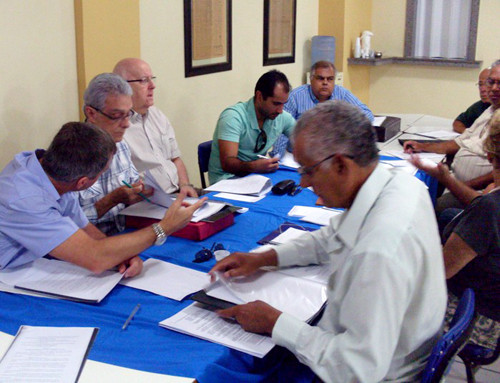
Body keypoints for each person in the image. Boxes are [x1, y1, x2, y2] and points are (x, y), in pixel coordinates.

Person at [209, 101, 446, 382]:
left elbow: (356, 369)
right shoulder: (399, 184)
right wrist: (264, 258)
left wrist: (275, 322)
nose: (305, 183)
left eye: (308, 170)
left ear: (341, 165)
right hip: (394, 347)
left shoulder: (379, 250)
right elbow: (330, 237)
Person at [0, 122, 205, 275]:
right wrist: (164, 227)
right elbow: (95, 257)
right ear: (82, 183)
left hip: (30, 266)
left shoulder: (51, 170)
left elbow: (87, 233)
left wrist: (122, 256)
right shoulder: (24, 198)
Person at [411, 109, 500, 350]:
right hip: (491, 297)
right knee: (450, 216)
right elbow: (481, 205)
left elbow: (439, 269)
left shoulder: (488, 210)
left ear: (490, 153)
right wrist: (445, 177)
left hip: (483, 317)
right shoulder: (490, 203)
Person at [404, 59, 500, 211]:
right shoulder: (488, 111)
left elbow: (496, 172)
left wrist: (458, 185)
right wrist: (422, 146)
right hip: (456, 182)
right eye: (491, 82)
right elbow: (459, 142)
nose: (493, 88)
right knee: (414, 189)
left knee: (433, 206)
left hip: (478, 191)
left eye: (499, 83)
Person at [78, 73, 151, 235]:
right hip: (91, 245)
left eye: (128, 115)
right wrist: (111, 200)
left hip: (127, 231)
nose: (126, 124)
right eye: (117, 116)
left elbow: (132, 188)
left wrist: (139, 191)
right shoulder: (72, 156)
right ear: (91, 114)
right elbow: (67, 225)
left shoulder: (121, 146)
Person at [113, 58, 198, 197]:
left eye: (152, 79)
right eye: (144, 80)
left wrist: (185, 185)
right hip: (151, 201)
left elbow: (175, 158)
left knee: (229, 211)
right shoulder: (118, 128)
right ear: (122, 86)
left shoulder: (157, 115)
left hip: (179, 191)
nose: (152, 86)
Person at [208, 70, 295, 184]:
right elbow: (227, 164)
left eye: (284, 104)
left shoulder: (280, 117)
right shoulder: (233, 117)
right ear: (259, 96)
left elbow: (304, 141)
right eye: (276, 104)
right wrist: (254, 166)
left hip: (256, 178)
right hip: (226, 181)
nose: (280, 110)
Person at [271, 60, 374, 157]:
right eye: (320, 78)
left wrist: (345, 129)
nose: (325, 83)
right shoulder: (296, 97)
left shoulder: (342, 94)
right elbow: (282, 126)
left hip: (333, 155)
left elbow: (367, 114)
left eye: (330, 79)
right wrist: (277, 157)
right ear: (311, 79)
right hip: (301, 155)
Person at [453, 68, 491, 134]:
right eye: (480, 84)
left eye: (488, 84)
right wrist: (469, 134)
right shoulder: (480, 106)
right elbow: (458, 122)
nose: (482, 89)